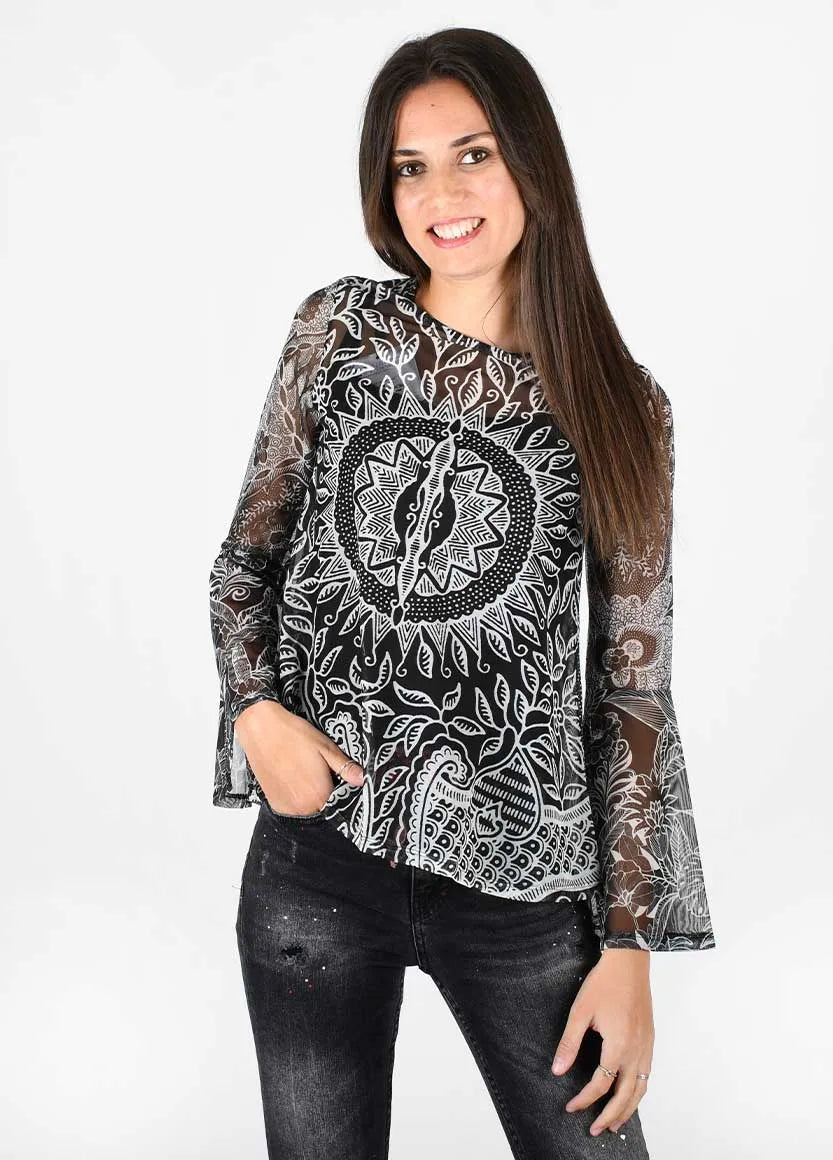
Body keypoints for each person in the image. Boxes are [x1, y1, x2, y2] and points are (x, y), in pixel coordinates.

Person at [208, 27, 715, 1160]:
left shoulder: (621, 406)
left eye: (473, 154)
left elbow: (632, 689)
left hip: (526, 883)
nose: (442, 194)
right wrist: (257, 711)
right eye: (411, 166)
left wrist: (627, 948)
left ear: (532, 161)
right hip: (318, 864)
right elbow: (246, 561)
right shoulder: (339, 332)